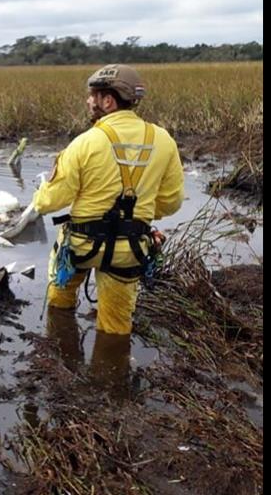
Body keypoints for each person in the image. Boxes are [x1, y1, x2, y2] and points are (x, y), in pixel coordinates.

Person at [31, 64, 184, 362]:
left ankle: (61, 359)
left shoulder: (84, 142)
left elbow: (49, 202)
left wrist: (39, 195)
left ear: (108, 101)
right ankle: (111, 382)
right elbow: (171, 202)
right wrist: (140, 214)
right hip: (130, 250)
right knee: (115, 327)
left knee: (59, 301)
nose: (88, 101)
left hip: (81, 247)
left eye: (92, 96)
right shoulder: (163, 140)